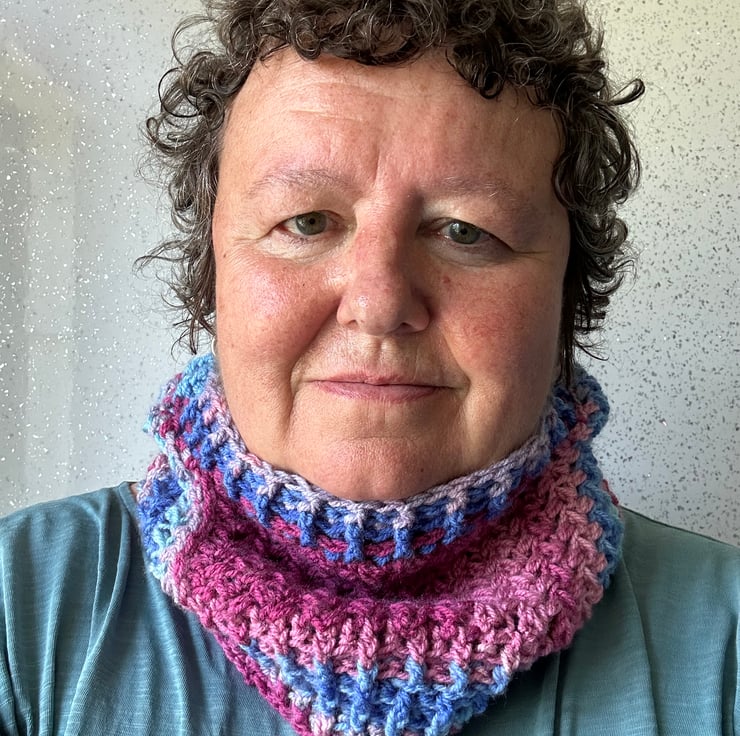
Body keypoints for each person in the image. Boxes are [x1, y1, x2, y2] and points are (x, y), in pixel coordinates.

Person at [1, 0, 738, 734]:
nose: (378, 304)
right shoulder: (19, 615)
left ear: (566, 294)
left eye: (465, 231)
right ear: (214, 270)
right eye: (306, 222)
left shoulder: (726, 642)